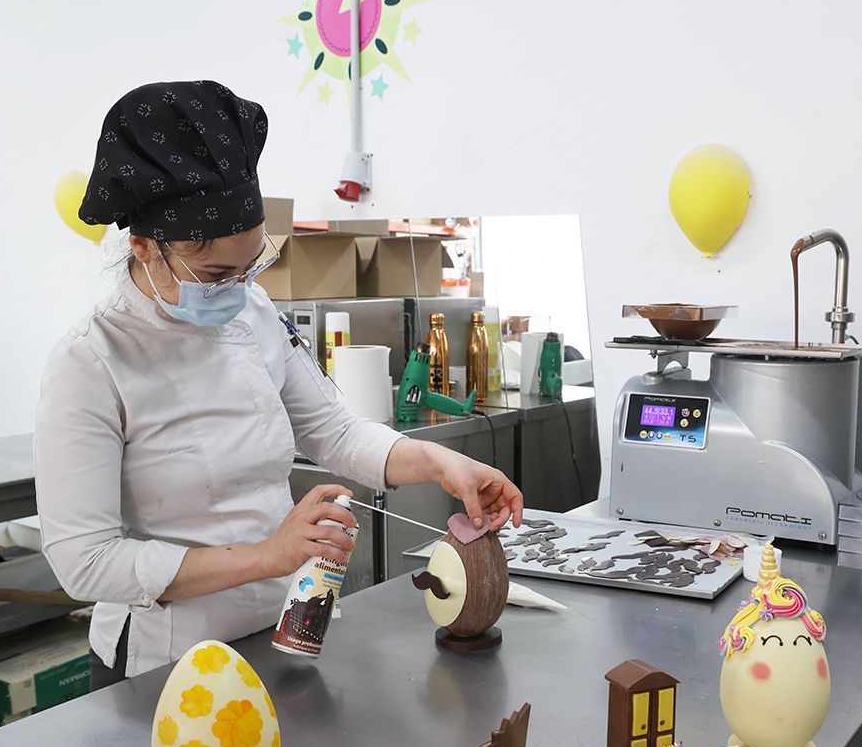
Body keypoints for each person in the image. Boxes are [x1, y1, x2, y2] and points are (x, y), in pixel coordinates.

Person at [35, 80, 522, 690]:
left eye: (249, 268)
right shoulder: (91, 361)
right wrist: (270, 555)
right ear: (144, 248)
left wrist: (436, 460)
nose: (235, 290)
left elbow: (333, 429)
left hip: (284, 631)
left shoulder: (251, 310)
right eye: (215, 274)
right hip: (168, 663)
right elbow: (86, 561)